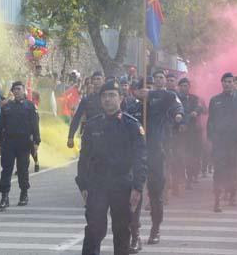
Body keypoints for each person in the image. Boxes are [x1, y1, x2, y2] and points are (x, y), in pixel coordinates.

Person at [76, 81, 147, 255]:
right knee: (94, 229)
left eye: (112, 95)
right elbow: (84, 158)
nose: (107, 99)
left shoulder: (132, 125)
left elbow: (141, 158)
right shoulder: (92, 125)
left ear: (121, 98)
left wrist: (138, 187)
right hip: (97, 184)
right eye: (104, 96)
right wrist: (83, 185)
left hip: (122, 184)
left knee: (122, 231)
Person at [141, 70, 183, 245]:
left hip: (158, 148)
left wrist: (179, 115)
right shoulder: (142, 99)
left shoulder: (169, 95)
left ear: (165, 81)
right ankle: (133, 232)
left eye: (161, 78)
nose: (158, 80)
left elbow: (177, 106)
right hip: (139, 149)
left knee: (156, 189)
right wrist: (143, 97)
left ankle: (155, 228)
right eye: (155, 78)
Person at [207, 72, 237, 212]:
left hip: (234, 141)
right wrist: (211, 137)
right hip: (219, 141)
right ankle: (217, 200)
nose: (227, 84)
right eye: (225, 81)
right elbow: (210, 120)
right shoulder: (215, 100)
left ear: (234, 83)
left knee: (233, 170)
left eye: (230, 81)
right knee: (218, 170)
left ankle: (232, 196)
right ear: (221, 83)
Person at [0, 81, 41, 211]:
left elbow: (35, 125)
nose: (17, 91)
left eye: (19, 89)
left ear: (24, 90)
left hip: (24, 142)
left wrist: (37, 141)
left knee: (22, 170)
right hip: (9, 142)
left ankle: (24, 194)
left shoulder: (30, 106)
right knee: (6, 170)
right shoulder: (7, 107)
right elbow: (0, 125)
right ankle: (4, 197)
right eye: (14, 89)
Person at [177, 77, 206, 189]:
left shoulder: (195, 98)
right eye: (182, 86)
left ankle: (190, 178)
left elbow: (202, 109)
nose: (184, 88)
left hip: (193, 132)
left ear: (189, 87)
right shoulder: (175, 98)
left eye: (186, 85)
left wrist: (196, 111)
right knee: (179, 155)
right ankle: (179, 178)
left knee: (192, 155)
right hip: (179, 131)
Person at [68, 71, 105, 149]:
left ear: (103, 80)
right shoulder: (87, 99)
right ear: (92, 81)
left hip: (105, 135)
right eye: (94, 79)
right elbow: (77, 117)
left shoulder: (108, 98)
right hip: (90, 135)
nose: (96, 81)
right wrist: (70, 136)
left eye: (99, 79)